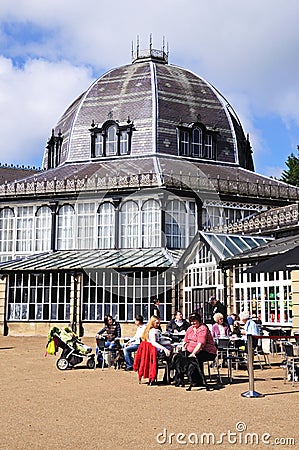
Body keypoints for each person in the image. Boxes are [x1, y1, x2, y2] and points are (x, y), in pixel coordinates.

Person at [182, 312, 217, 385]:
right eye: (191, 321)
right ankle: (180, 379)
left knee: (196, 358)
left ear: (199, 320)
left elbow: (200, 344)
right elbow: (185, 340)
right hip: (190, 349)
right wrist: (183, 349)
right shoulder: (190, 329)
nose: (192, 323)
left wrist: (193, 353)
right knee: (180, 358)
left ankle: (199, 380)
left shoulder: (203, 329)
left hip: (206, 351)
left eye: (194, 320)